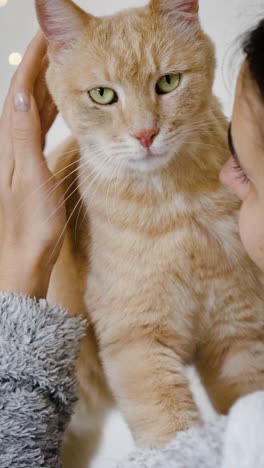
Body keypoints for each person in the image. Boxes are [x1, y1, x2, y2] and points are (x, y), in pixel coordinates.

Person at [0, 18, 264, 467]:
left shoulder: (230, 160)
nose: (144, 128)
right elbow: (137, 343)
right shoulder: (76, 187)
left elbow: (239, 347)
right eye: (105, 94)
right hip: (67, 395)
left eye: (166, 82)